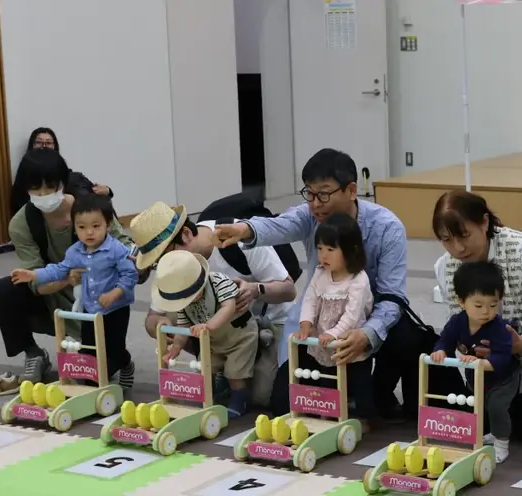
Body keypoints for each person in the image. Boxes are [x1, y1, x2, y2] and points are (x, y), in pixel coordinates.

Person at [212, 149, 415, 419]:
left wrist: (368, 333)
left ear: (352, 190)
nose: (316, 204)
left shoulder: (387, 227)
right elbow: (280, 225)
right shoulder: (310, 217)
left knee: (404, 338)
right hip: (319, 318)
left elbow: (392, 297)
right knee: (283, 405)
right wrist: (244, 230)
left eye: (324, 194)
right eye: (309, 193)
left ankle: (380, 394)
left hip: (368, 314)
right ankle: (342, 392)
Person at [431, 190, 522, 444]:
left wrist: (521, 344)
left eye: (464, 236)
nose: (458, 248)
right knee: (486, 422)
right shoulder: (445, 267)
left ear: (484, 222)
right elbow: (457, 320)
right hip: (490, 362)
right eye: (446, 240)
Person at [0, 148, 133, 394]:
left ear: (63, 184)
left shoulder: (89, 210)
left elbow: (124, 247)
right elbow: (36, 281)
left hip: (98, 299)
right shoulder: (23, 223)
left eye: (50, 187)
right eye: (36, 189)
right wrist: (65, 278)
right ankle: (34, 354)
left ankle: (118, 359)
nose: (43, 195)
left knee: (95, 374)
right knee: (1, 292)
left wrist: (134, 265)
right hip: (51, 296)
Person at [132, 201, 297, 408]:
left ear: (186, 234)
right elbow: (152, 318)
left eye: (166, 255)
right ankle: (222, 369)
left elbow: (289, 290)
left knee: (262, 397)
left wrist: (256, 290)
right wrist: (160, 325)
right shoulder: (173, 267)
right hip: (217, 327)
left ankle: (235, 371)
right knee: (174, 313)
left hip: (263, 324)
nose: (165, 264)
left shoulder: (236, 238)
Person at [10, 193, 137, 388]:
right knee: (88, 350)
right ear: (75, 228)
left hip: (116, 309)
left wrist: (115, 293)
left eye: (96, 226)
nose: (89, 232)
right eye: (82, 227)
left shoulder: (116, 249)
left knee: (114, 348)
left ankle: (126, 364)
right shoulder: (75, 251)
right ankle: (92, 387)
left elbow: (130, 275)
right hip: (89, 310)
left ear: (108, 225)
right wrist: (34, 275)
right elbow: (59, 270)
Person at [152, 250, 259, 418]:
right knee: (205, 368)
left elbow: (229, 307)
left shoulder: (219, 282)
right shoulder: (183, 304)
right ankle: (209, 397)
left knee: (235, 373)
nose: (186, 302)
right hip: (212, 342)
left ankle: (240, 401)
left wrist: (208, 326)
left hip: (239, 337)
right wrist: (177, 347)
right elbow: (184, 324)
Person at [431, 261, 519, 463]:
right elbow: (445, 339)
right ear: (462, 302)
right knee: (480, 406)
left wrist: (479, 363)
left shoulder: (499, 328)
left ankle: (502, 444)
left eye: (493, 305)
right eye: (478, 305)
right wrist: (440, 351)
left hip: (503, 379)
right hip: (477, 378)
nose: (486, 312)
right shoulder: (457, 322)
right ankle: (491, 434)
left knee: (496, 407)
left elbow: (503, 358)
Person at [294, 213, 375, 426]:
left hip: (349, 344)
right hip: (324, 343)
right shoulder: (320, 273)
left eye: (331, 249)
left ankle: (364, 418)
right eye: (320, 248)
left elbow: (352, 316)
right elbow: (310, 300)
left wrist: (334, 333)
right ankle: (327, 414)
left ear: (350, 250)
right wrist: (305, 324)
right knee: (326, 377)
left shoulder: (358, 280)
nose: (323, 255)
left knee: (358, 381)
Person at [9, 127, 112, 217]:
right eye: (39, 142)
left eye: (48, 143)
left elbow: (94, 199)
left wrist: (107, 191)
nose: (43, 146)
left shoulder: (72, 178)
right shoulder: (23, 179)